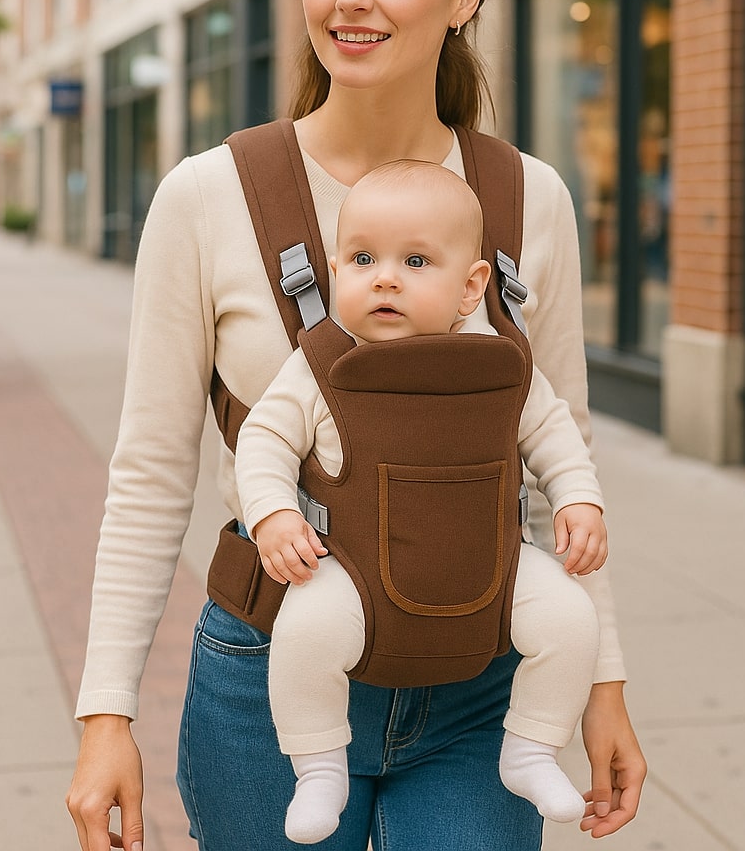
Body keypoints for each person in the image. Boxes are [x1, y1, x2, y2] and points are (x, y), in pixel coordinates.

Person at [67, 0, 646, 851]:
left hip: (482, 687)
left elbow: (561, 464)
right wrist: (105, 711)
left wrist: (601, 681)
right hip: (264, 679)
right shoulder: (209, 196)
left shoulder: (527, 199)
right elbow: (151, 472)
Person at [238, 160, 608, 843]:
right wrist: (273, 513)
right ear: (334, 270)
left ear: (472, 287)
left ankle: (530, 748)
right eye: (362, 258)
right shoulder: (322, 364)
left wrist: (578, 500)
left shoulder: (498, 362)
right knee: (305, 634)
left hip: (491, 570)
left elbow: (556, 434)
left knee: (569, 618)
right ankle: (319, 766)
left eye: (414, 260)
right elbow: (261, 439)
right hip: (350, 570)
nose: (384, 277)